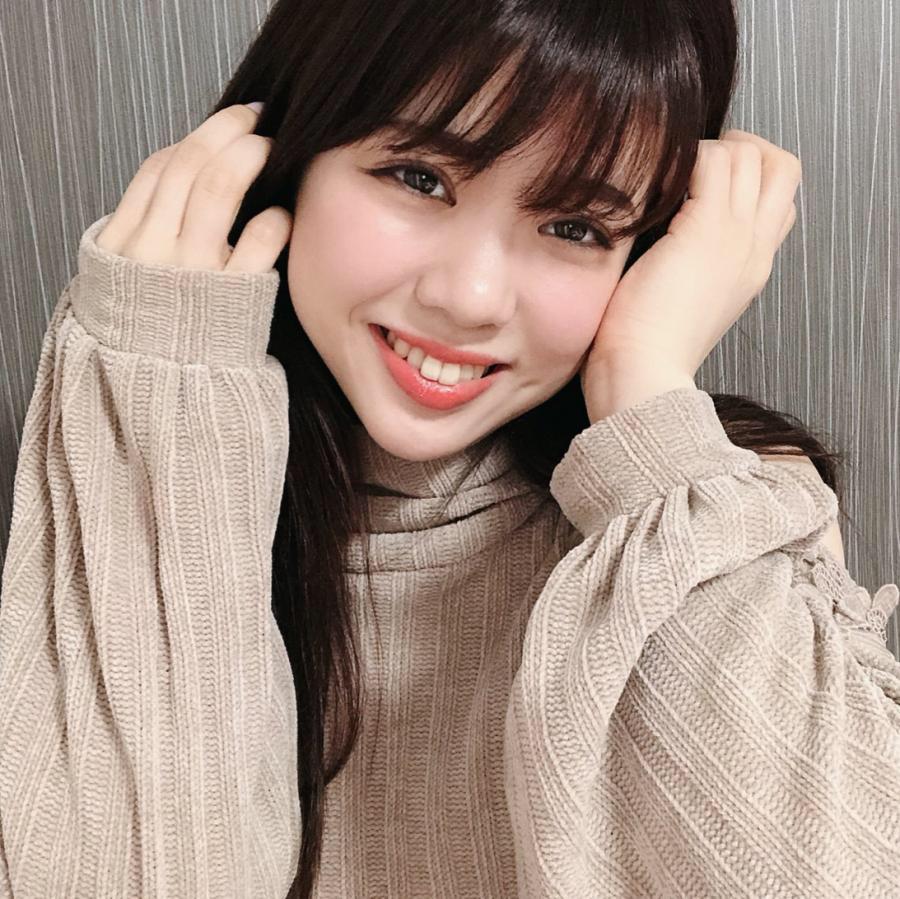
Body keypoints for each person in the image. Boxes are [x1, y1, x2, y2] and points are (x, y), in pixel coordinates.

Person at [1, 0, 898, 896]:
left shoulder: (717, 530)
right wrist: (158, 409)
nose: (470, 297)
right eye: (419, 177)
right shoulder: (147, 433)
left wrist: (648, 388)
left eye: (577, 228)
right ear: (289, 154)